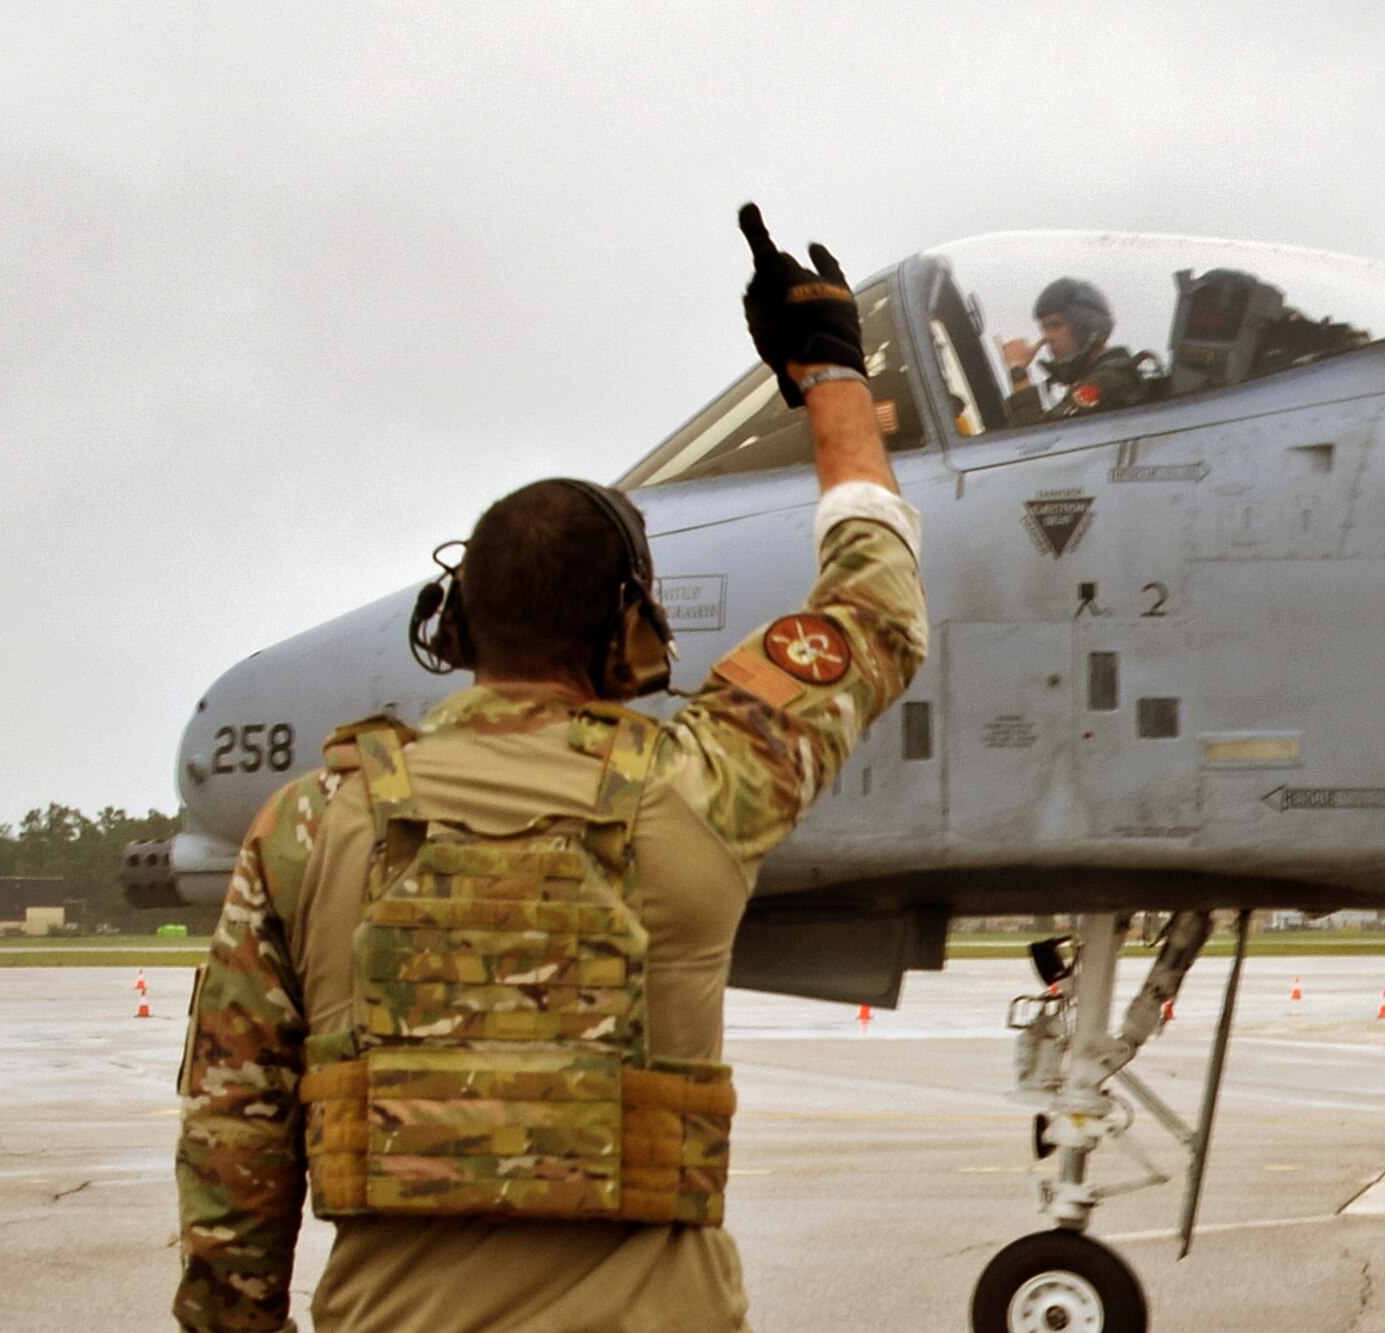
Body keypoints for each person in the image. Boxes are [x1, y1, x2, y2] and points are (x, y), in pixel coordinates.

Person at [173, 205, 927, 1333]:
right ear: (629, 632)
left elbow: (233, 1138)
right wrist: (827, 372)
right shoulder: (705, 783)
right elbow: (873, 603)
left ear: (455, 626)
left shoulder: (307, 828)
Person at [1000, 277, 1148, 423]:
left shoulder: (1103, 383)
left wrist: (1018, 373)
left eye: (1055, 325)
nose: (1046, 338)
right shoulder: (1105, 376)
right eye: (1044, 328)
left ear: (1085, 327)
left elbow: (1041, 438)